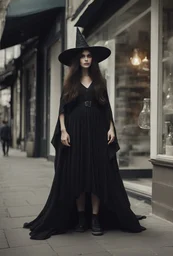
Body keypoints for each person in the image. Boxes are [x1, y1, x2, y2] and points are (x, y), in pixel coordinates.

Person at [23, 28, 146, 240]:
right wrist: (63, 130)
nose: (86, 59)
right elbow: (63, 109)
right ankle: (81, 218)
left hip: (98, 130)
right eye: (83, 56)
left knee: (97, 175)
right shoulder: (70, 83)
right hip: (75, 130)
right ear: (78, 60)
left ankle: (96, 218)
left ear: (93, 60)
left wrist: (110, 128)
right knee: (78, 175)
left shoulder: (100, 82)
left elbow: (106, 107)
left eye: (89, 56)